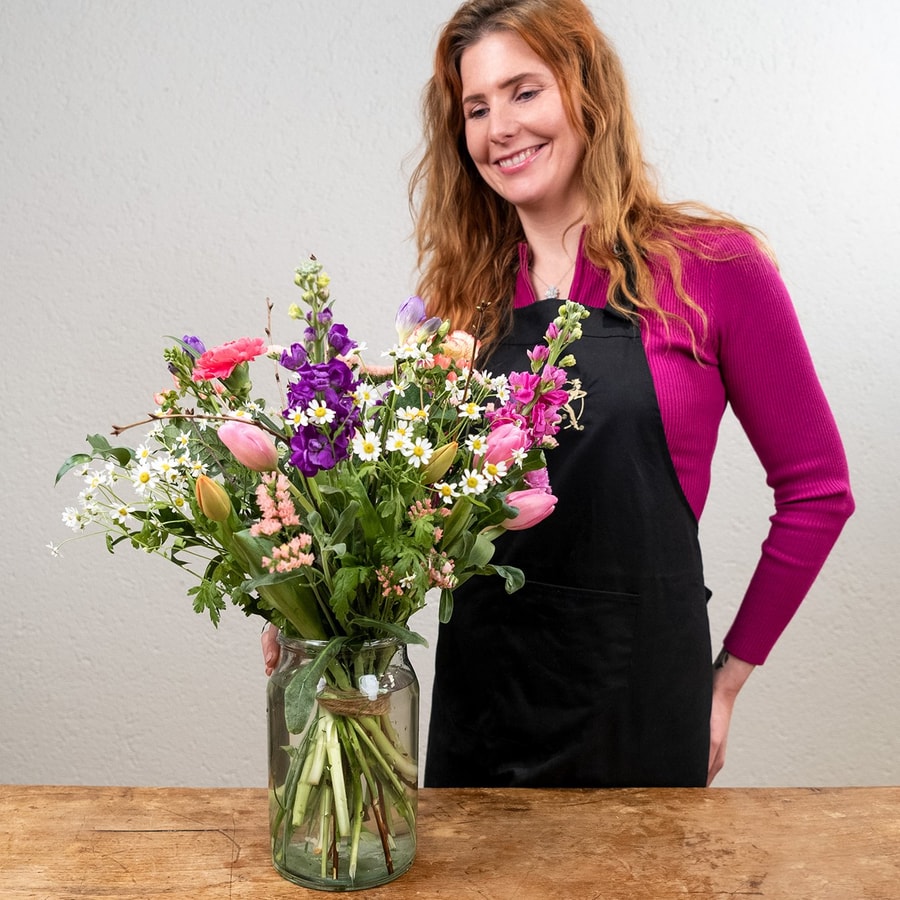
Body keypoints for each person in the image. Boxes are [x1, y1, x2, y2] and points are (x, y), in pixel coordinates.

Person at [265, 0, 853, 788]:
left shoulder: (715, 268)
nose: (499, 126)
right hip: (484, 704)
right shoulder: (458, 308)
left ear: (588, 94)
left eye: (524, 91)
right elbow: (399, 509)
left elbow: (819, 491)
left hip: (645, 703)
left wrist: (727, 680)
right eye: (476, 107)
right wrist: (303, 590)